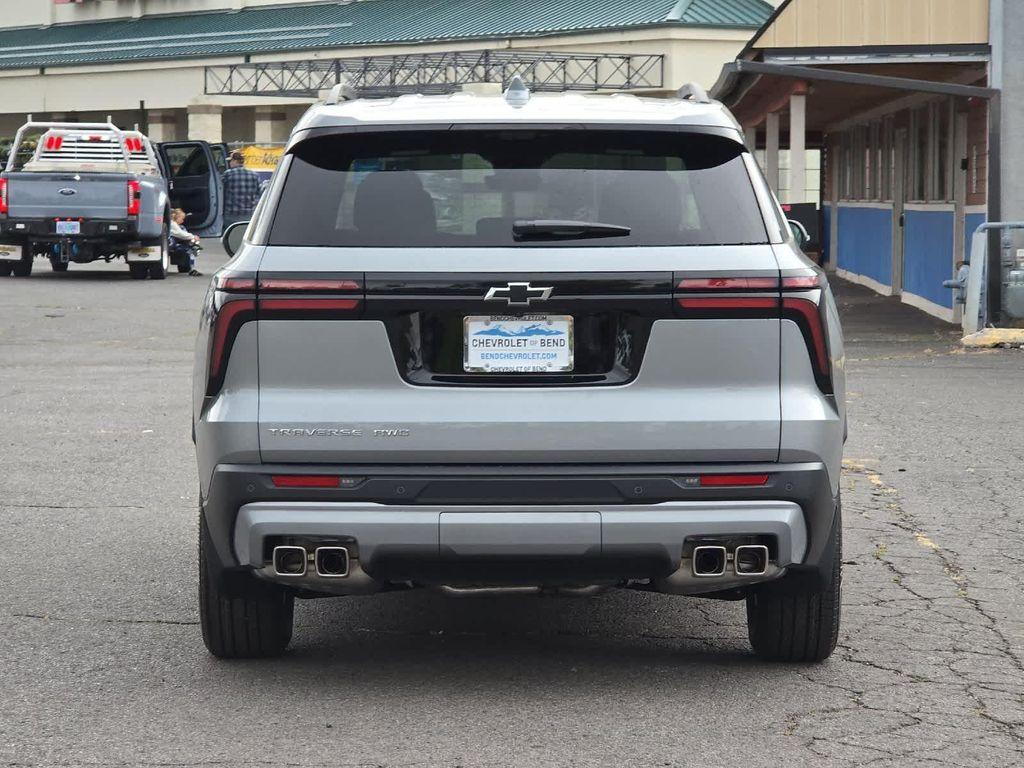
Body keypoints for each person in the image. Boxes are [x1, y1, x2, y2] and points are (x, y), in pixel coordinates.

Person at [221, 150, 262, 229]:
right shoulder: (254, 175)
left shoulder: (228, 174)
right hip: (249, 214)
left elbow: (220, 191)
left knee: (230, 236)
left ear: (235, 161)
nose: (229, 163)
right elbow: (258, 193)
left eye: (230, 161)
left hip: (232, 214)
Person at [169, 208, 203, 276]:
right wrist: (193, 237)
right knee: (192, 249)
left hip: (173, 243)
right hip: (172, 243)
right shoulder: (173, 224)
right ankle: (190, 268)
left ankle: (185, 266)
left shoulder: (174, 225)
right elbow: (180, 234)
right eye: (182, 219)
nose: (182, 221)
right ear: (177, 217)